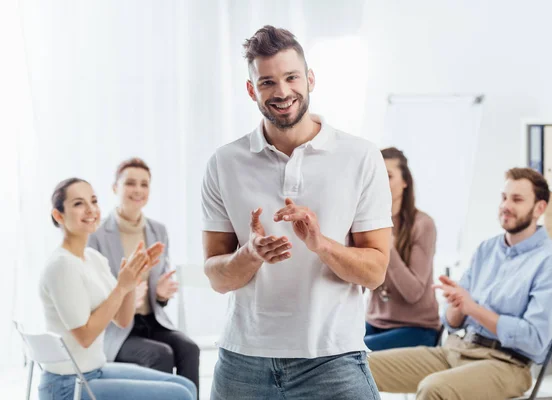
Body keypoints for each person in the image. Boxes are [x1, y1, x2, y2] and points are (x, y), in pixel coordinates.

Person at [201, 25, 392, 400]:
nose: (283, 92)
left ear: (310, 79)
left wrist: (321, 244)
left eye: (291, 77)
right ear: (252, 89)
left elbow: (374, 272)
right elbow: (217, 278)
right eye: (268, 82)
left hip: (333, 360)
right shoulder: (224, 162)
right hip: (244, 362)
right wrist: (250, 254)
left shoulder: (360, 156)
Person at [368, 167, 552, 400]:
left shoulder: (551, 265)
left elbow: (535, 340)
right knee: (360, 367)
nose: (506, 205)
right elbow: (452, 321)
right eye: (504, 197)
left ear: (540, 208)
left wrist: (473, 308)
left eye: (517, 199)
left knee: (433, 388)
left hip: (505, 364)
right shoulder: (487, 249)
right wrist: (457, 305)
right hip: (455, 350)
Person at [39, 178, 196, 400]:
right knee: (180, 394)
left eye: (93, 201)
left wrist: (132, 281)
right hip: (67, 386)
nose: (91, 209)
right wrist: (121, 287)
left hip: (95, 371)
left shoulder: (93, 258)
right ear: (58, 215)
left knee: (185, 386)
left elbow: (122, 320)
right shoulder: (62, 266)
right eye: (78, 203)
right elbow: (85, 336)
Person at [88, 158, 200, 394]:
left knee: (189, 348)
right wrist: (126, 293)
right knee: (160, 354)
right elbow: (92, 295)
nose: (138, 190)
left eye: (144, 184)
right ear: (115, 188)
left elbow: (158, 295)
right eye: (130, 183)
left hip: (152, 321)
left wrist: (160, 295)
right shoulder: (97, 235)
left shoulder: (158, 230)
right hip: (116, 330)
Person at [365, 147, 440, 351]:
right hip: (374, 323)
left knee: (354, 354)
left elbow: (414, 292)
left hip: (416, 328)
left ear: (405, 182)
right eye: (376, 175)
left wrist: (387, 248)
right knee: (331, 348)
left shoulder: (423, 224)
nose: (380, 182)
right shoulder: (367, 222)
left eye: (388, 176)